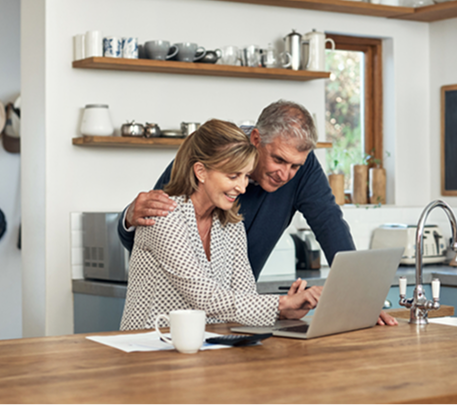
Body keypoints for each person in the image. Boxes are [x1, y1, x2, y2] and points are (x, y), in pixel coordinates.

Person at [119, 100, 397, 326]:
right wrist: (130, 217)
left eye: (294, 166)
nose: (285, 174)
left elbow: (329, 223)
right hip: (153, 337)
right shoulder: (207, 159)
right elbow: (154, 221)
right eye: (278, 160)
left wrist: (360, 300)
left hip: (212, 334)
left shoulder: (231, 222)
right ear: (256, 139)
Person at [120, 120, 322, 330]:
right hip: (148, 347)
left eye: (245, 176)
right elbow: (204, 296)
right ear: (201, 172)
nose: (242, 187)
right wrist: (281, 304)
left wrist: (284, 312)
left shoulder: (231, 224)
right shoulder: (164, 217)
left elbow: (244, 300)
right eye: (233, 176)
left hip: (205, 348)